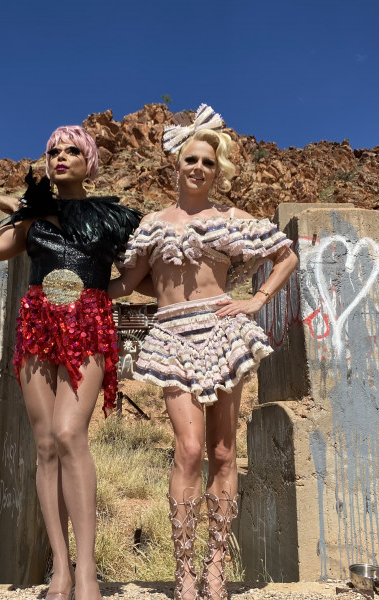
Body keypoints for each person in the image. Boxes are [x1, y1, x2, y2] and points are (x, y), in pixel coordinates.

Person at [108, 105, 298, 600]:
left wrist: (256, 300)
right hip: (172, 336)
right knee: (189, 449)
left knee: (223, 451)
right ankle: (184, 569)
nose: (198, 168)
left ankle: (215, 565)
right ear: (176, 165)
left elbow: (286, 256)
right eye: (190, 159)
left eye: (207, 163)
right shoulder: (153, 224)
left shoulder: (231, 220)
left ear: (218, 171)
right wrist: (73, 286)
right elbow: (127, 283)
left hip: (222, 330)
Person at [0, 125, 141, 600]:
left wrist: (99, 294)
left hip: (88, 326)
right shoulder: (32, 219)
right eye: (53, 152)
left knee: (68, 433)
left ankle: (87, 572)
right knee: (44, 445)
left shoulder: (111, 217)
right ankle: (60, 571)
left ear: (88, 162)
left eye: (72, 151)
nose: (61, 157)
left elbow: (137, 272)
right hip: (38, 326)